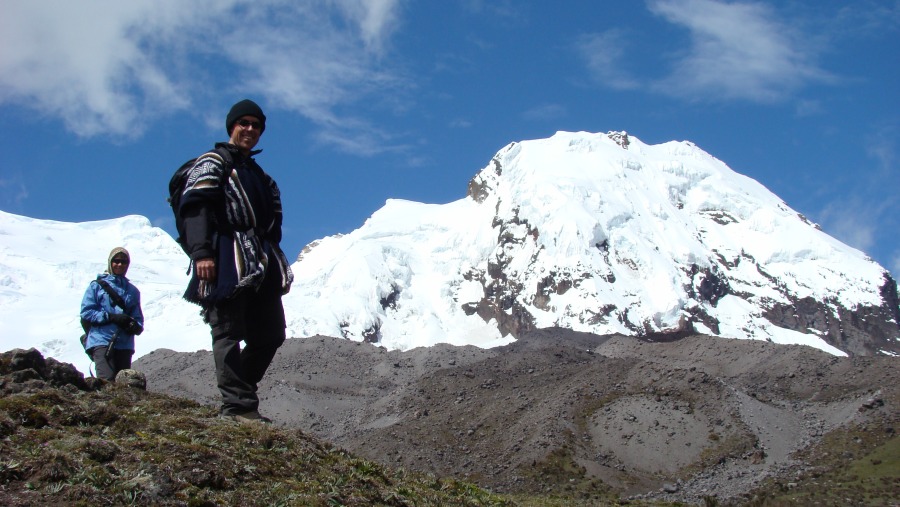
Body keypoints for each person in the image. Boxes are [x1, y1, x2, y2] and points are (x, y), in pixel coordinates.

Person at [179, 99, 294, 423]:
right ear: (232, 126)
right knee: (227, 329)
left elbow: (275, 224)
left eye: (256, 125)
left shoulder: (262, 177)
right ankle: (237, 405)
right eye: (243, 123)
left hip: (259, 261)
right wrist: (202, 252)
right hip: (225, 255)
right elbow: (195, 208)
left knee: (270, 334)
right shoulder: (212, 163)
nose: (250, 129)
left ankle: (241, 393)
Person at [80, 247, 144, 380]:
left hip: (125, 343)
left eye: (124, 262)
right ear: (110, 262)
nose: (120, 264)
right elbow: (86, 312)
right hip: (102, 340)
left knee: (124, 387)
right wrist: (111, 317)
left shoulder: (133, 291)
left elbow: (138, 318)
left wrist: (134, 325)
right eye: (116, 261)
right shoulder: (96, 286)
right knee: (107, 381)